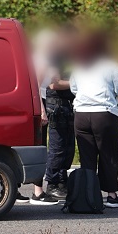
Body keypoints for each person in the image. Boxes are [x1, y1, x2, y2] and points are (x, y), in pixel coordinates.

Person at [70, 31, 118, 208]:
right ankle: (111, 195)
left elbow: (74, 88)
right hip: (104, 113)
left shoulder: (79, 65)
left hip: (80, 114)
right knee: (108, 155)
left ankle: (90, 194)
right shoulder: (111, 65)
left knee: (87, 157)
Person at [43, 25, 78, 200]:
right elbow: (53, 84)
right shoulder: (56, 56)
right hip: (57, 104)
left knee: (69, 147)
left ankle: (62, 181)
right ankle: (52, 183)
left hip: (70, 104)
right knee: (58, 147)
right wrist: (80, 83)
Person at [29, 29, 60, 205]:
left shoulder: (37, 58)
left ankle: (30, 190)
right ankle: (38, 192)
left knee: (36, 144)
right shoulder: (42, 59)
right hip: (40, 101)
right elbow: (36, 85)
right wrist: (41, 109)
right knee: (40, 146)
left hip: (39, 100)